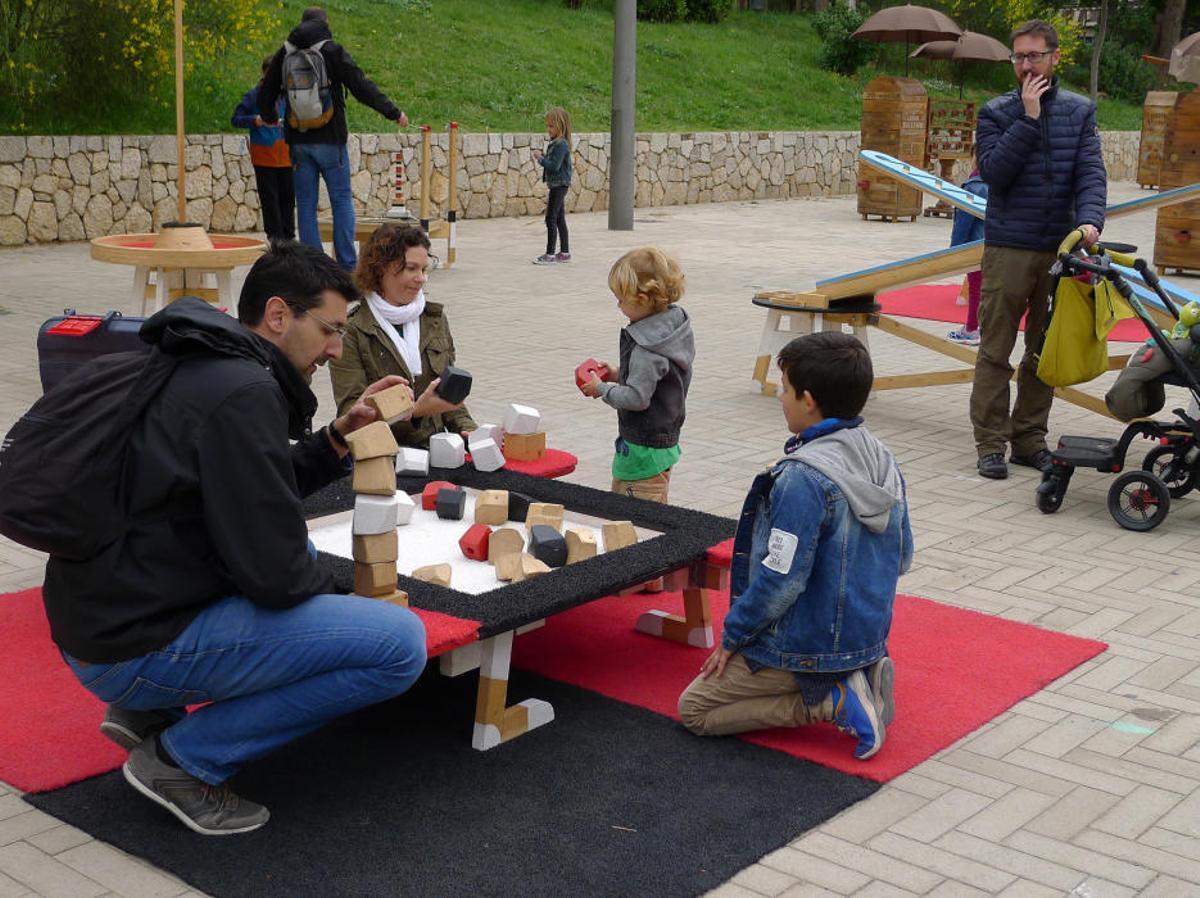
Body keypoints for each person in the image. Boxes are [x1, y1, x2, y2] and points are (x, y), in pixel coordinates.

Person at [47, 241, 427, 835]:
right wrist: (346, 601)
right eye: (329, 330)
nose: (335, 348)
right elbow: (276, 575)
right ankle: (179, 761)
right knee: (397, 644)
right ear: (278, 315)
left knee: (305, 558)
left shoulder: (200, 356)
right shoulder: (244, 392)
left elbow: (250, 484)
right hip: (127, 644)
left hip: (99, 618)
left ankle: (147, 710)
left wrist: (334, 438)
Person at [677, 333, 912, 760]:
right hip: (867, 637)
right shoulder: (883, 458)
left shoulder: (802, 478)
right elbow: (903, 555)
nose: (779, 397)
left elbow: (780, 580)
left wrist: (733, 636)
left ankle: (833, 701)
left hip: (806, 647)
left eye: (784, 389)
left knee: (694, 710)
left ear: (808, 400)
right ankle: (858, 672)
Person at [971, 19, 1107, 480]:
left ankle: (1029, 440)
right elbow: (994, 173)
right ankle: (990, 444)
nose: (1026, 65)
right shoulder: (996, 112)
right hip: (1008, 247)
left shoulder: (1079, 111)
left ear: (1055, 57)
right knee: (995, 351)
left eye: (1034, 56)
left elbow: (1091, 172)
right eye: (1019, 57)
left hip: (1059, 249)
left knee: (1044, 349)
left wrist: (1090, 220)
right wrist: (1027, 120)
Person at [258, 6, 409, 272]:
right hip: (330, 139)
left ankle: (313, 265)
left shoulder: (285, 53)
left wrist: (270, 116)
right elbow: (360, 86)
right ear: (324, 23)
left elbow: (266, 91)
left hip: (298, 141)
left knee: (306, 204)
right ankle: (347, 265)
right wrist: (393, 112)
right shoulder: (331, 50)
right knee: (340, 200)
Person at [331, 223, 476, 449]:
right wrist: (415, 412)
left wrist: (470, 431)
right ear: (380, 269)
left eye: (424, 269)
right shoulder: (352, 331)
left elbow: (448, 397)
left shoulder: (433, 319)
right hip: (382, 457)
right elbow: (351, 417)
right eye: (411, 268)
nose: (421, 278)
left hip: (437, 452)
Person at [581, 246, 694, 505]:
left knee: (638, 513)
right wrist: (616, 374)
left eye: (621, 299)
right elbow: (653, 379)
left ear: (642, 300)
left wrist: (601, 389)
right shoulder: (670, 328)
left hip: (644, 450)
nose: (618, 305)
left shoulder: (647, 348)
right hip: (660, 441)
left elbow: (637, 397)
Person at [231, 57, 295, 241]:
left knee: (288, 200)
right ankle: (275, 241)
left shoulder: (288, 96)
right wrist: (255, 120)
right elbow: (236, 119)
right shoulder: (253, 96)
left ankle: (289, 240)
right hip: (264, 157)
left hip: (287, 157)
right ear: (264, 74)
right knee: (270, 201)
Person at [945, 165, 987, 347]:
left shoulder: (973, 187)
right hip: (997, 244)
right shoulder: (1000, 182)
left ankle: (971, 328)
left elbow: (963, 222)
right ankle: (984, 327)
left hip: (975, 245)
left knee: (976, 287)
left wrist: (955, 249)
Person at [531, 107, 574, 265]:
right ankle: (564, 253)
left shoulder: (561, 144)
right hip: (557, 184)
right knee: (559, 218)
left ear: (560, 126)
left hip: (559, 185)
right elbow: (554, 162)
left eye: (551, 126)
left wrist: (540, 158)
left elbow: (554, 166)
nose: (548, 129)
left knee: (550, 218)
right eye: (547, 126)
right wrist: (544, 156)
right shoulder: (556, 143)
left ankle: (550, 254)